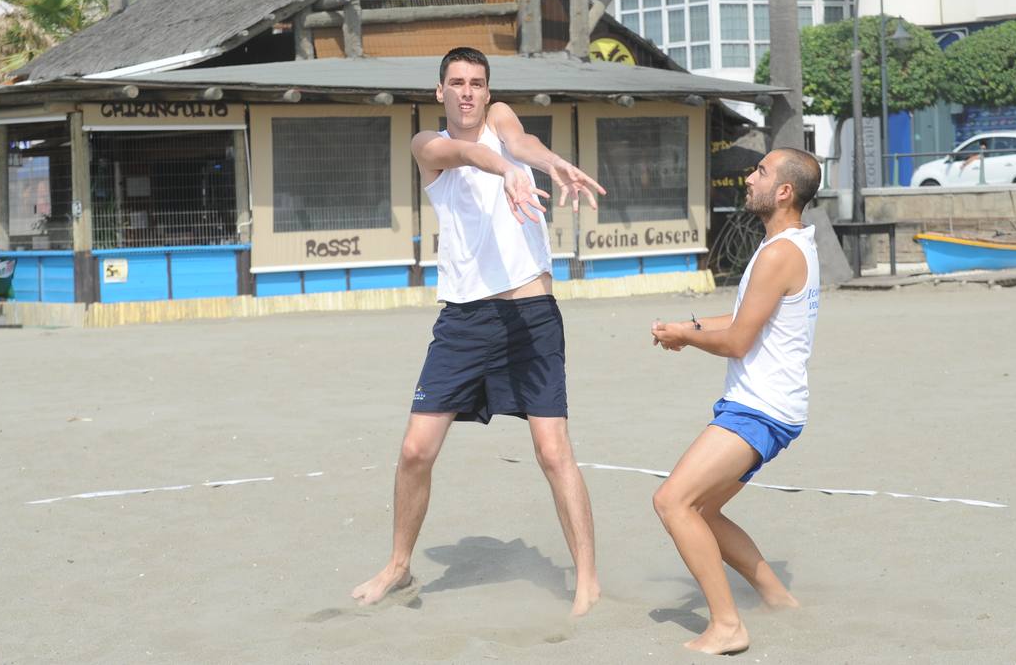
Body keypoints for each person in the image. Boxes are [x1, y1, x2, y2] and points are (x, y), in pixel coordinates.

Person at [351, 47, 606, 616]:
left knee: (552, 450)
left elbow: (523, 144)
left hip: (531, 314)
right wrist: (507, 172)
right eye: (457, 83)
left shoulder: (502, 119)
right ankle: (398, 565)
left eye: (477, 83)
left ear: (488, 91)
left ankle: (587, 578)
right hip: (464, 319)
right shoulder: (427, 146)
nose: (468, 91)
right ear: (440, 90)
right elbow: (464, 153)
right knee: (416, 450)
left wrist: (545, 163)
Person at [649, 148, 822, 655]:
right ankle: (775, 596)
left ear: (785, 192)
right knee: (702, 509)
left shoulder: (779, 253)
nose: (750, 178)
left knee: (672, 502)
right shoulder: (789, 246)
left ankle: (727, 626)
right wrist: (688, 328)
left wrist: (694, 337)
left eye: (761, 172)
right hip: (767, 406)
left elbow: (739, 342)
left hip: (760, 409)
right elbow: (745, 318)